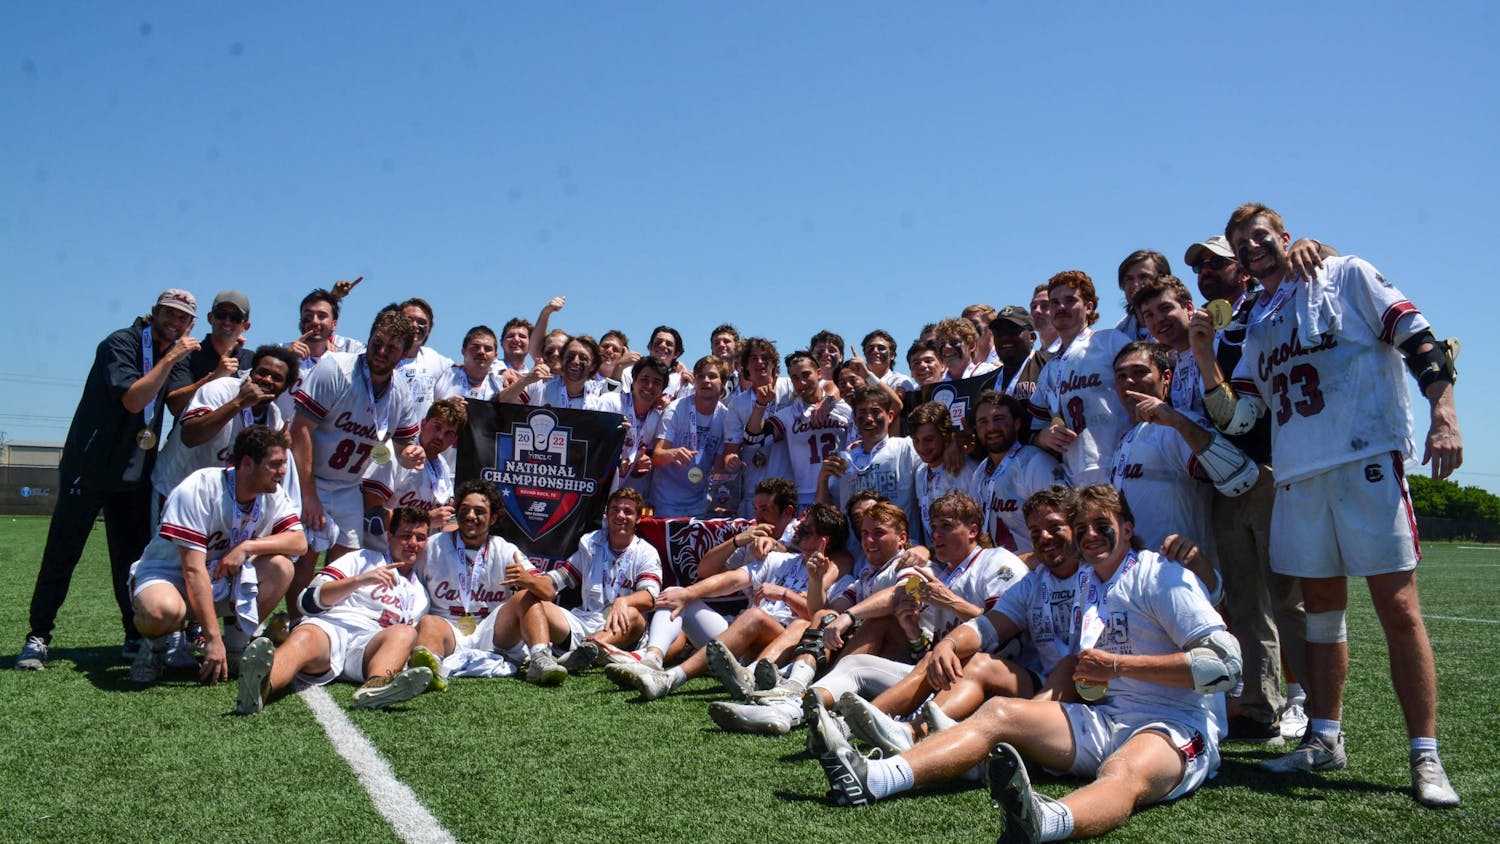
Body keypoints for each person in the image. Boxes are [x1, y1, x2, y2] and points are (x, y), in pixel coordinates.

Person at [1198, 203, 1461, 807]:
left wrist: (1443, 415)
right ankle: (1325, 735)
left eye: (1261, 238)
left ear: (1285, 237)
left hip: (1364, 456)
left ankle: (1425, 753)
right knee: (1320, 612)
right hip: (1298, 473)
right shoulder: (1255, 316)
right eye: (1242, 246)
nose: (1252, 249)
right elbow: (1241, 414)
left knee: (1398, 608)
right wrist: (1201, 351)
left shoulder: (1343, 274)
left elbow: (1418, 339)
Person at [809, 485, 1241, 844]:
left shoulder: (1159, 575)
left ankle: (1044, 822)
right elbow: (991, 626)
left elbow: (1225, 665)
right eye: (1082, 527)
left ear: (1128, 528)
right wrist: (949, 644)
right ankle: (878, 776)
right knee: (999, 714)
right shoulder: (1085, 580)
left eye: (1100, 525)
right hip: (1103, 715)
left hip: (1171, 723)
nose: (1089, 535)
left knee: (1124, 771)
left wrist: (1120, 667)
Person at [17, 289, 202, 669]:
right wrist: (170, 358)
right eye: (169, 313)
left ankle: (134, 634)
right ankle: (38, 636)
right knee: (62, 553)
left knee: (131, 559)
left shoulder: (177, 353)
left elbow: (179, 402)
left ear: (191, 324)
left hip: (136, 471)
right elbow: (134, 400)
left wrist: (214, 375)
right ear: (154, 312)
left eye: (182, 317)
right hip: (89, 467)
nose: (174, 321)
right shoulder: (121, 343)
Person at [1180, 234, 1318, 741]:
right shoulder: (1209, 322)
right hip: (1224, 477)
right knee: (1245, 600)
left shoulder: (1266, 306)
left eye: (1216, 264)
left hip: (1269, 465)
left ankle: (1308, 701)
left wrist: (1313, 245)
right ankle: (1263, 704)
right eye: (1201, 268)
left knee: (1287, 595)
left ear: (1243, 267)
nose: (1207, 273)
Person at [839, 487, 1086, 755]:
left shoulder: (999, 563)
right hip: (975, 676)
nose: (936, 535)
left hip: (1036, 678)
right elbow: (987, 626)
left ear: (972, 530)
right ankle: (847, 724)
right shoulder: (944, 573)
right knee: (868, 660)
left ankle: (904, 729)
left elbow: (1002, 637)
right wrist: (930, 638)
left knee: (977, 661)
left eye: (946, 526)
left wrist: (949, 608)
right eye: (933, 528)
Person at [613, 503, 851, 702]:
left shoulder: (842, 578)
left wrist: (785, 594)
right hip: (738, 638)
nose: (797, 528)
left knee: (757, 616)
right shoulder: (780, 560)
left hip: (778, 649)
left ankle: (673, 678)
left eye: (806, 529)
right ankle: (652, 660)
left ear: (823, 540)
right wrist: (690, 593)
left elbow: (818, 617)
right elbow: (730, 579)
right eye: (800, 523)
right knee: (677, 594)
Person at [126, 425, 306, 684]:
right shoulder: (201, 487)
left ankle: (235, 649)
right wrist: (211, 638)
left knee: (282, 567)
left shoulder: (273, 495)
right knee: (160, 613)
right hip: (170, 576)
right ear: (247, 463)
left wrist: (247, 547)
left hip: (219, 578)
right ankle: (154, 647)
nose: (283, 472)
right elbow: (192, 570)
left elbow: (299, 542)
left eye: (284, 464)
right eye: (275, 464)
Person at [236, 504, 435, 713]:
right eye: (405, 536)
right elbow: (307, 601)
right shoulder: (363, 558)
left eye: (420, 538)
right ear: (389, 537)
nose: (412, 543)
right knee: (304, 637)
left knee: (405, 632)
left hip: (369, 646)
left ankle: (376, 687)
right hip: (332, 629)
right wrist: (359, 580)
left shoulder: (421, 595)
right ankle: (259, 689)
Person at [289, 309, 424, 613]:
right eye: (377, 343)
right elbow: (300, 431)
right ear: (370, 336)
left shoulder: (401, 392)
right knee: (307, 556)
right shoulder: (335, 369)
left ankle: (327, 624)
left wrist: (410, 454)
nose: (381, 352)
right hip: (312, 479)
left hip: (349, 486)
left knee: (347, 562)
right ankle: (296, 622)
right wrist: (308, 494)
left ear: (403, 352)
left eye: (391, 347)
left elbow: (403, 448)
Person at [411, 479, 568, 687]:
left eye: (479, 511)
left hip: (491, 630)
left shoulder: (503, 549)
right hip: (448, 628)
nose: (470, 516)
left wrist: (527, 580)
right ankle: (429, 672)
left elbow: (548, 592)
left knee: (526, 597)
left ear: (493, 518)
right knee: (429, 622)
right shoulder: (432, 547)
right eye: (465, 509)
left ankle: (540, 658)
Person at [152, 345, 301, 507]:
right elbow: (190, 437)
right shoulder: (219, 389)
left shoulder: (274, 417)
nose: (267, 380)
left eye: (276, 378)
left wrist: (282, 446)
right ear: (251, 372)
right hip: (178, 490)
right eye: (262, 372)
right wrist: (238, 404)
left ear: (285, 387)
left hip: (219, 501)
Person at [1028, 270, 1132, 487]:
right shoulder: (1048, 370)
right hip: (1074, 476)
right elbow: (1034, 428)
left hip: (1122, 466)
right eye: (1055, 302)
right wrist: (1043, 437)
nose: (1061, 308)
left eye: (1070, 300)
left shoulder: (1110, 342)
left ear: (1089, 306)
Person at [745, 350, 852, 508]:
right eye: (795, 378)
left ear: (819, 373)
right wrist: (760, 405)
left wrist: (829, 399)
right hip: (806, 496)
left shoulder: (844, 407)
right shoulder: (788, 415)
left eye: (806, 375)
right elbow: (753, 438)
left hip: (843, 491)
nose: (801, 383)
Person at [816, 387, 921, 539]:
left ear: (890, 416)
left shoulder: (906, 448)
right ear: (854, 419)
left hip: (900, 550)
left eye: (875, 412)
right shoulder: (844, 460)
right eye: (862, 413)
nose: (869, 419)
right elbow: (825, 513)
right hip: (857, 557)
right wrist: (822, 479)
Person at [966, 390, 1060, 553]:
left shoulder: (1035, 463)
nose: (991, 427)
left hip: (1037, 569)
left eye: (999, 419)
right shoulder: (980, 473)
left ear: (1017, 423)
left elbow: (1061, 531)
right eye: (983, 422)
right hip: (997, 570)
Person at [362, 397, 466, 543]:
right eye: (437, 427)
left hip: (414, 558)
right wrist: (426, 519)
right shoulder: (393, 453)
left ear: (454, 439)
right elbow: (370, 515)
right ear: (423, 424)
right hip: (377, 553)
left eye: (449, 433)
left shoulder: (442, 466)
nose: (440, 436)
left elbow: (448, 518)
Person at [651, 356, 735, 517]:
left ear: (723, 383)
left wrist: (731, 463)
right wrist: (672, 454)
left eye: (712, 376)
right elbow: (657, 456)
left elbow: (718, 467)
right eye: (700, 376)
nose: (705, 380)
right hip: (665, 503)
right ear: (694, 381)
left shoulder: (726, 417)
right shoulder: (676, 409)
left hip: (700, 505)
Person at [721, 337, 797, 517]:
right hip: (754, 490)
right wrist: (730, 460)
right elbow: (730, 450)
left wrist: (828, 400)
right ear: (745, 366)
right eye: (753, 358)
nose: (760, 362)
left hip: (788, 488)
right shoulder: (737, 404)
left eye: (765, 358)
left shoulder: (789, 387)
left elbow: (822, 388)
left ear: (773, 364)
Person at [273, 287, 367, 423]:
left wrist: (342, 364)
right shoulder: (281, 351)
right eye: (308, 315)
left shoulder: (348, 358)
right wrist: (285, 359)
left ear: (334, 324)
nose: (314, 321)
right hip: (283, 439)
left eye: (322, 316)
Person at [163, 290, 257, 417]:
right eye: (221, 314)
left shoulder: (253, 360)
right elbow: (175, 407)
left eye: (235, 318)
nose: (227, 321)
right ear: (210, 317)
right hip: (191, 435)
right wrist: (214, 377)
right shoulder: (187, 355)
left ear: (246, 326)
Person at [596, 356, 669, 499]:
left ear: (662, 390)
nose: (649, 386)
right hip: (597, 487)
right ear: (633, 381)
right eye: (644, 379)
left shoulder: (657, 418)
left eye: (656, 382)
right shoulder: (611, 402)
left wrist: (641, 463)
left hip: (625, 495)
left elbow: (646, 457)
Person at [435, 325, 508, 401]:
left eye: (487, 349)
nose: (481, 352)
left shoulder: (500, 384)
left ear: (495, 356)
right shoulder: (444, 377)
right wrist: (446, 406)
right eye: (476, 347)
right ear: (463, 351)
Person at [989, 306, 1046, 402]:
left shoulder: (1049, 366)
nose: (1005, 338)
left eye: (1013, 331)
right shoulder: (987, 383)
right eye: (999, 333)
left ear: (1032, 337)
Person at [1114, 249, 1170, 342]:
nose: (1135, 284)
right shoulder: (1120, 333)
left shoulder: (1178, 323)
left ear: (1164, 279)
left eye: (1143, 277)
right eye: (1129, 279)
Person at [933, 318, 996, 382]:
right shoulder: (938, 385)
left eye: (954, 342)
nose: (946, 346)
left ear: (971, 346)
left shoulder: (989, 374)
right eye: (942, 343)